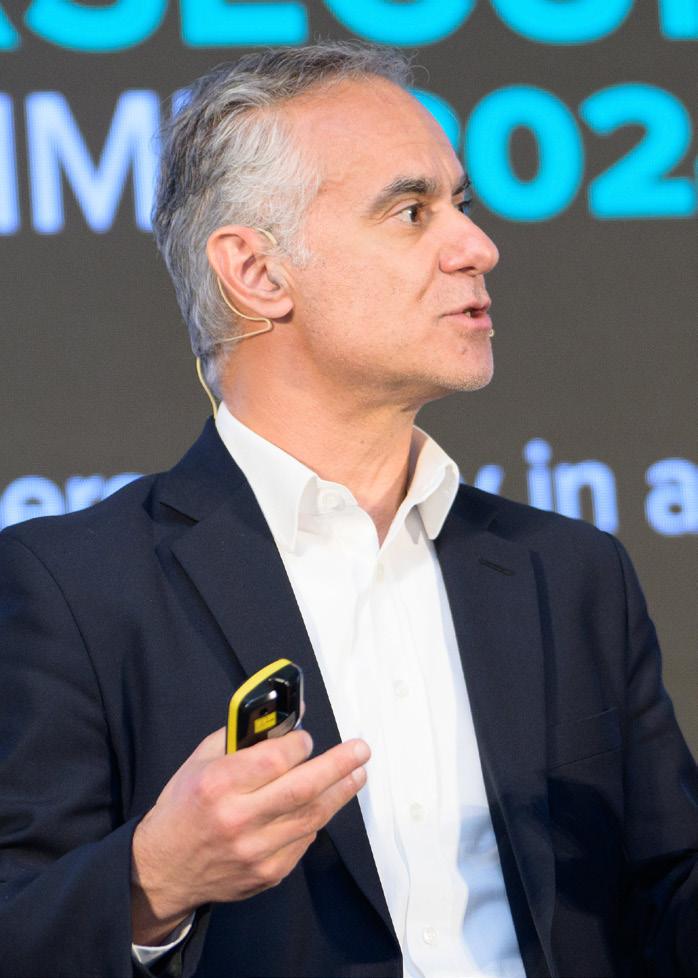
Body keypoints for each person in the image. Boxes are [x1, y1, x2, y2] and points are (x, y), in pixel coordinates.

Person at [0, 41, 695, 978]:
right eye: (411, 211)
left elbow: (666, 900)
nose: (478, 247)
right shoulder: (74, 590)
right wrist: (151, 881)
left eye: (462, 205)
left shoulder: (570, 574)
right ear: (258, 272)